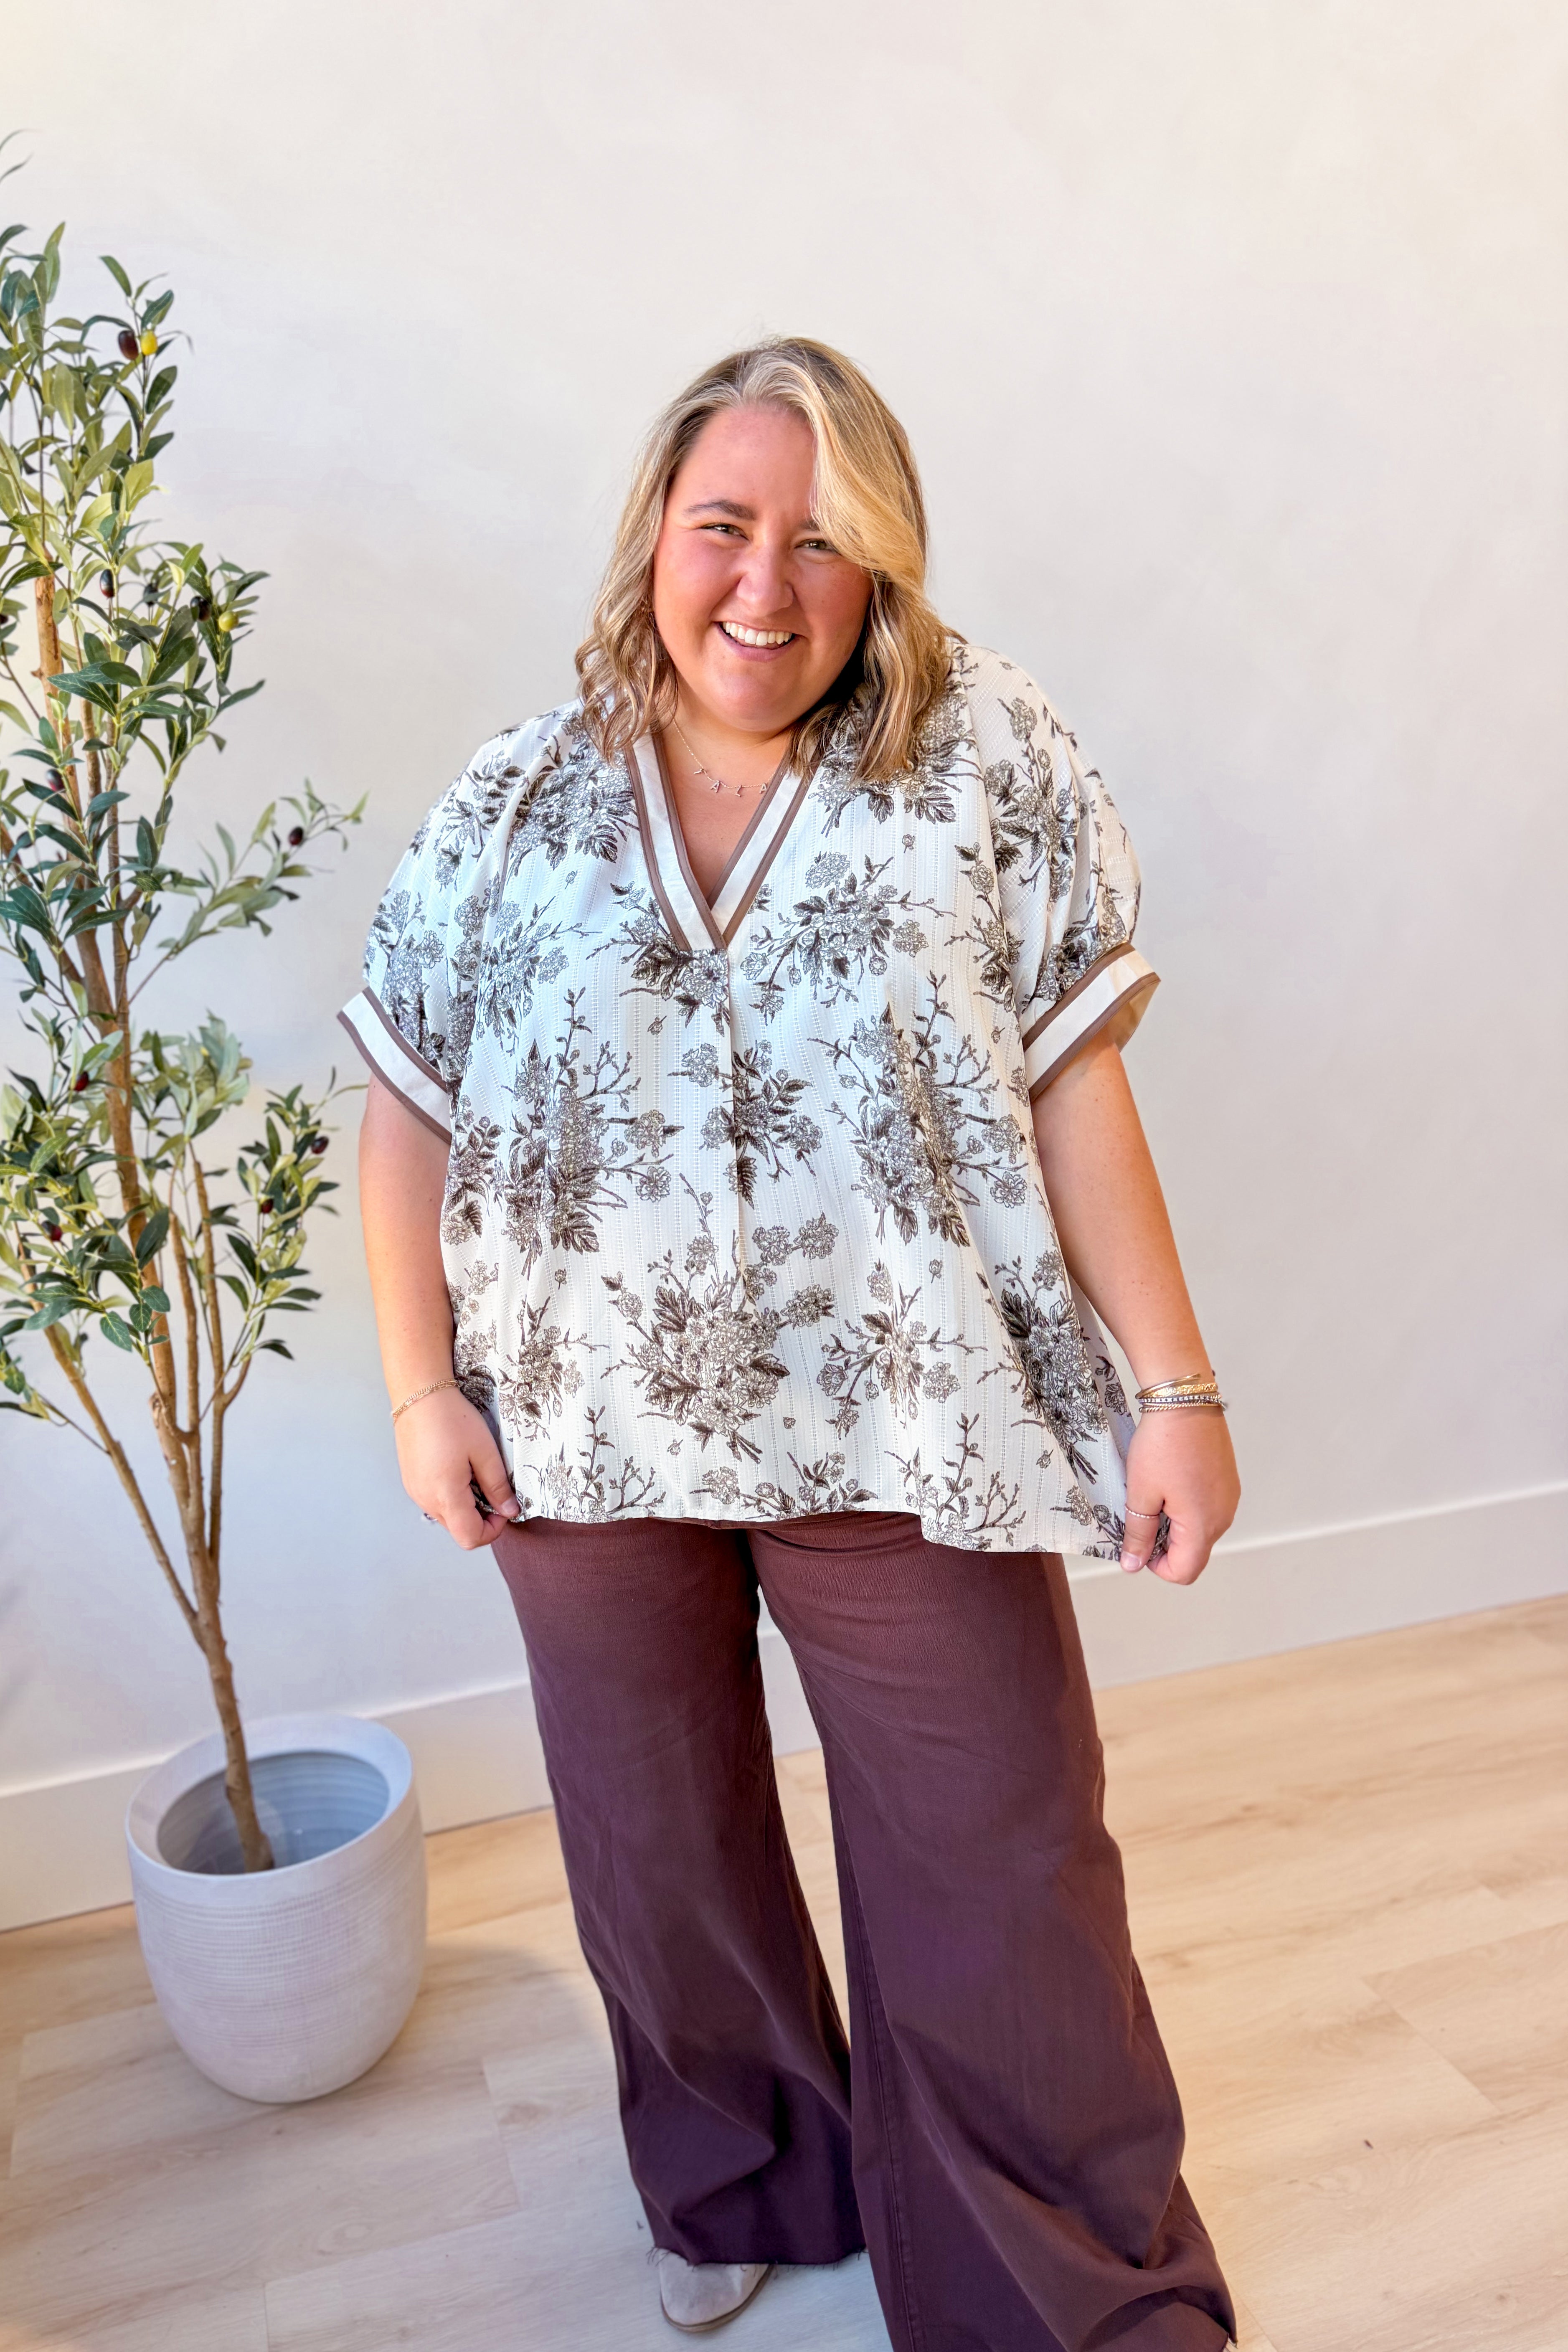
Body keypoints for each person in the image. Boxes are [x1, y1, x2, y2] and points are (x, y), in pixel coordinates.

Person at [345, 337, 1240, 2351]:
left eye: (822, 540)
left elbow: (1075, 1080)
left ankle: (1073, 2292)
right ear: (655, 537)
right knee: (656, 1846)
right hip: (582, 1433)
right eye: (725, 526)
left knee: (1001, 1856)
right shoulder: (515, 796)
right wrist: (420, 1386)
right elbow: (405, 1108)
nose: (767, 584)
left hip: (911, 1419)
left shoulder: (984, 750)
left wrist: (1174, 1388)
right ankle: (745, 2168)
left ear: (885, 562)